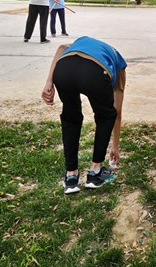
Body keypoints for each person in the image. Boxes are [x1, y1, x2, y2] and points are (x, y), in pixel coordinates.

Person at [41, 36, 127, 194]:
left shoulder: (83, 43)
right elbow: (117, 112)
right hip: (94, 73)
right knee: (106, 115)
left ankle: (71, 177)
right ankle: (95, 172)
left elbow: (61, 48)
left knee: (71, 118)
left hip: (63, 69)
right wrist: (115, 146)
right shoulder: (119, 64)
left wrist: (49, 81)